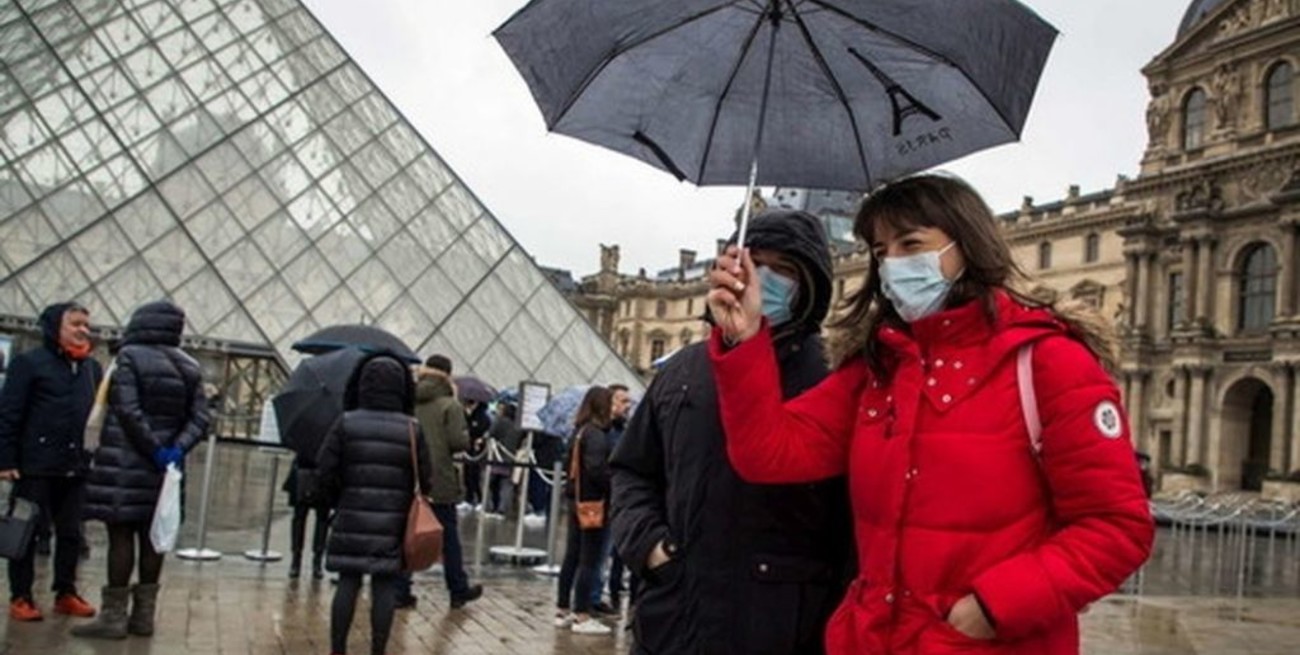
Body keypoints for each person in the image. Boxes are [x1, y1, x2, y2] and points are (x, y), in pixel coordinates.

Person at [706, 174, 1154, 655]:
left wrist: (992, 606)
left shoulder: (1048, 362)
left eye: (910, 243)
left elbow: (1116, 527)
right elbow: (768, 454)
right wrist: (745, 339)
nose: (892, 264)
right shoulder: (877, 368)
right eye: (880, 251)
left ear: (967, 245)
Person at [610, 210, 855, 654]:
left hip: (784, 626)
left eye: (783, 269)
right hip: (675, 616)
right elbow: (631, 471)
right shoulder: (681, 370)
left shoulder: (837, 378)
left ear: (811, 284)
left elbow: (856, 519)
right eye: (752, 262)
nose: (763, 278)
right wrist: (650, 546)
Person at [74, 300, 210, 639]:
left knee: (121, 536)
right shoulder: (190, 366)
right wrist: (176, 448)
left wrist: (153, 448)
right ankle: (143, 618)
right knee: (154, 538)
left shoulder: (129, 358)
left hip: (125, 461)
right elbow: (201, 419)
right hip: (167, 471)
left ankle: (113, 618)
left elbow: (128, 410)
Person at [316, 353, 433, 655]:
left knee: (347, 582)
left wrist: (337, 500)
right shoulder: (411, 428)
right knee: (384, 585)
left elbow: (325, 470)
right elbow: (426, 479)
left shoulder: (346, 422)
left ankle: (337, 649)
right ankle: (378, 649)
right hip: (392, 519)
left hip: (350, 514)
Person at [0, 302, 102, 622]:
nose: (83, 329)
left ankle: (66, 592)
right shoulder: (29, 364)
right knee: (26, 531)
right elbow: (9, 414)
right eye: (75, 324)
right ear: (54, 326)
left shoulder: (91, 369)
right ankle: (21, 596)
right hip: (35, 463)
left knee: (71, 533)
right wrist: (6, 459)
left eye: (86, 324)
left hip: (75, 464)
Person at [410, 354, 483, 608]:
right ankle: (458, 588)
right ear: (448, 375)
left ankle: (400, 588)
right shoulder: (449, 405)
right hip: (439, 477)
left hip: (410, 475)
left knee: (407, 531)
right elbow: (458, 442)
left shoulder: (408, 398)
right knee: (449, 537)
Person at [555, 386, 614, 636]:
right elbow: (597, 470)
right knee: (589, 559)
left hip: (576, 499)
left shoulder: (579, 431)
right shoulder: (597, 435)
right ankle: (582, 614)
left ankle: (562, 609)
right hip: (593, 503)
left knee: (572, 556)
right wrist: (614, 484)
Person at [590, 382, 631, 615]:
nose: (627, 406)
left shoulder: (623, 428)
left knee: (614, 549)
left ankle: (609, 588)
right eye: (623, 401)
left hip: (620, 497)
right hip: (607, 497)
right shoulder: (604, 432)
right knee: (600, 550)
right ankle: (593, 597)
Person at [282, 455, 330, 580]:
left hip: (323, 470)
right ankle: (298, 560)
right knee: (302, 517)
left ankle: (314, 561)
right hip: (306, 467)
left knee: (320, 519)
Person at [487, 401, 523, 517]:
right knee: (506, 484)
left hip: (497, 456)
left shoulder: (500, 422)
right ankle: (502, 509)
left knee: (492, 483)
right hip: (510, 457)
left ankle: (492, 506)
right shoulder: (518, 427)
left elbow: (491, 433)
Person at [461, 399, 491, 509]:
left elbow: (482, 430)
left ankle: (479, 499)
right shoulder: (468, 416)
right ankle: (468, 498)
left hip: (478, 449)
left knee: (476, 475)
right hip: (469, 448)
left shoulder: (483, 417)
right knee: (467, 474)